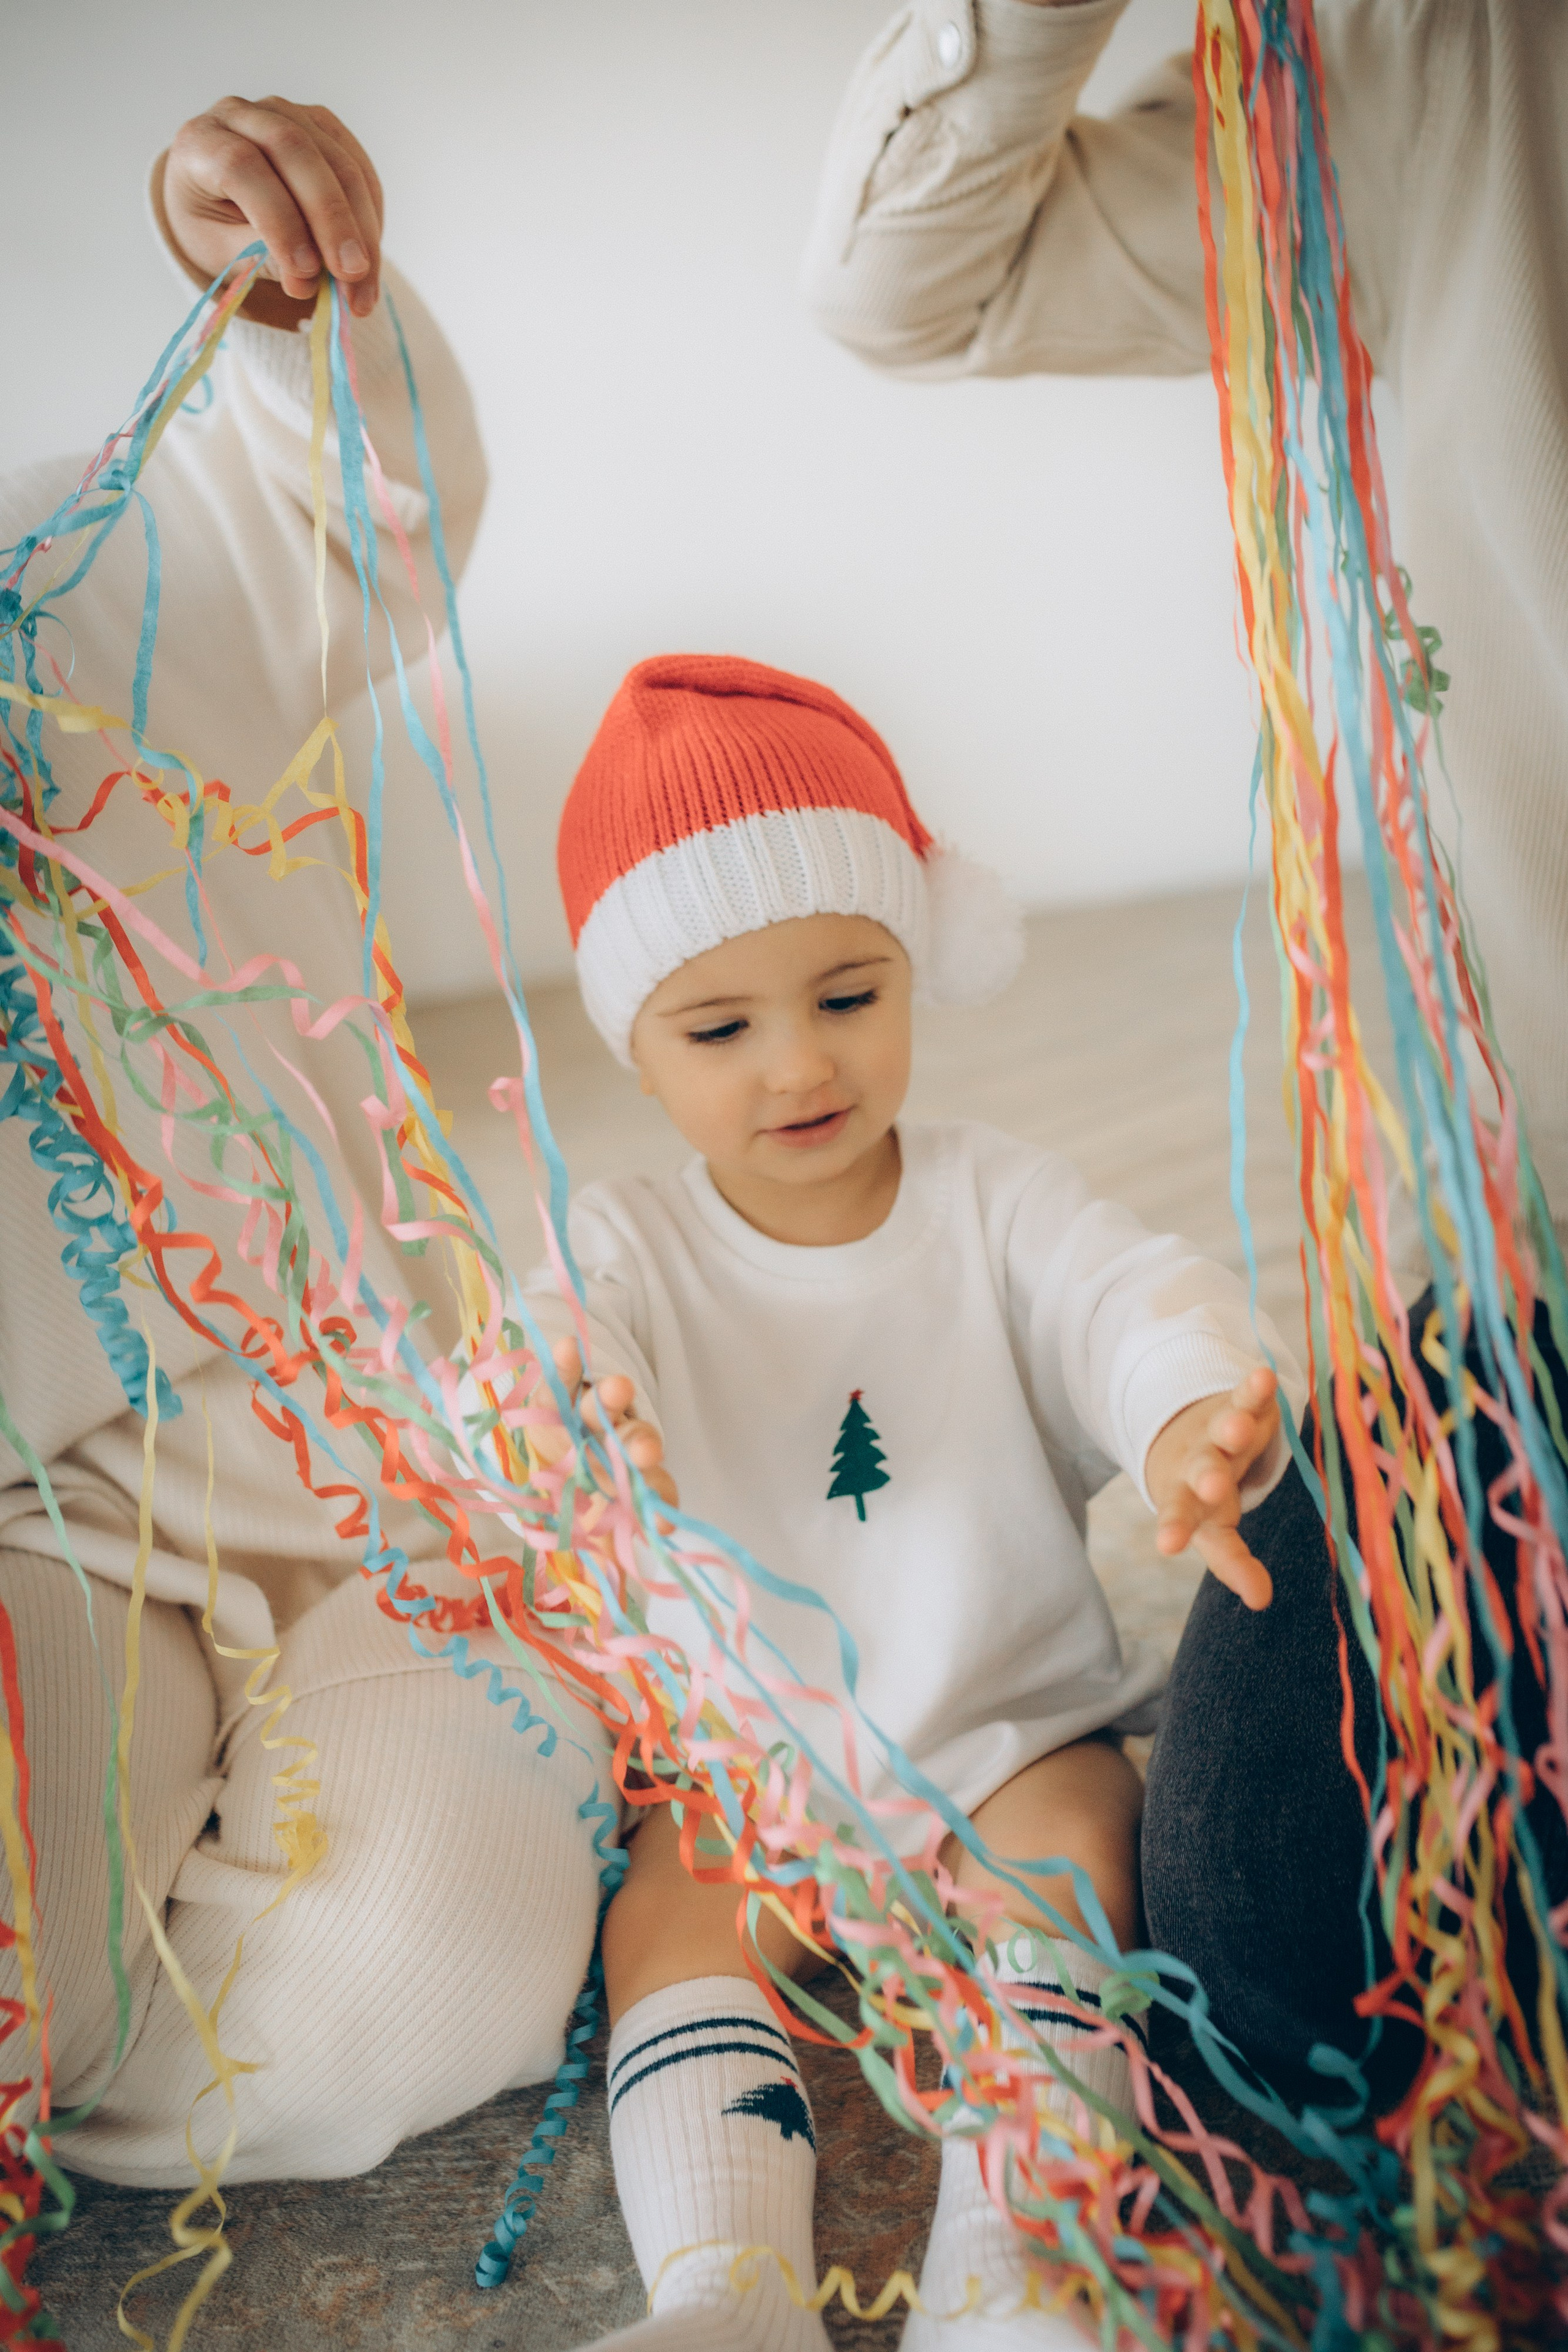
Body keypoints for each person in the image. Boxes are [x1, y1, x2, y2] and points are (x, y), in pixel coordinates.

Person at [802, 0, 1568, 2116]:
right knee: (1261, 1962)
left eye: (844, 992)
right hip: (1544, 1292)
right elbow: (912, 281)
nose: (802, 1066)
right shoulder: (1421, 72)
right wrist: (1175, 1423)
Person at [519, 652, 1305, 2350]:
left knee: (1085, 1851)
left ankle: (1014, 2260)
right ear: (635, 1048)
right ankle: (726, 2290)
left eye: (851, 994)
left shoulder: (988, 1199)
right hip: (763, 1757)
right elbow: (535, 1348)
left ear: (918, 967)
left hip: (1009, 1718)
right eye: (721, 1028)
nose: (798, 1063)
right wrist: (558, 1404)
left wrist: (1180, 1414)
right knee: (670, 1907)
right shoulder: (628, 1248)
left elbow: (1133, 1296)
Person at [0, 102, 608, 2195]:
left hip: (362, 1476)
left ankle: (168, 1980)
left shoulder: (63, 586)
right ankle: (103, 1980)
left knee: (440, 1965)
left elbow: (356, 521)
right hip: (36, 1536)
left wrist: (276, 310)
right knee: (25, 1967)